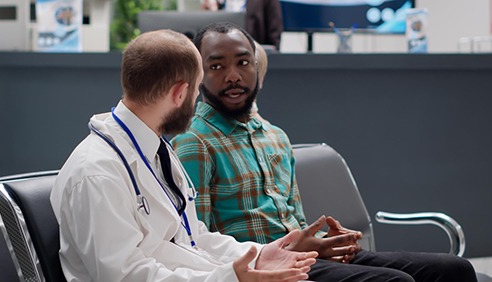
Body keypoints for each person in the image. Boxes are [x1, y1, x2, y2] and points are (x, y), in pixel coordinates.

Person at [171, 22, 478, 281]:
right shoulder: (194, 143)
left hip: (307, 256)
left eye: (243, 62)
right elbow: (197, 243)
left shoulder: (275, 136)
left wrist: (323, 241)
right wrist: (291, 249)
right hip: (267, 267)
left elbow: (294, 222)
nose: (233, 75)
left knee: (455, 270)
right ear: (198, 73)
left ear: (256, 65)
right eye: (216, 66)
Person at [49, 29, 320, 282]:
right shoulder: (97, 172)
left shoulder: (155, 149)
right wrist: (228, 277)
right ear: (180, 93)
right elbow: (125, 275)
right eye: (196, 89)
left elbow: (192, 237)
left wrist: (258, 255)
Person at [201, 0, 283, 49]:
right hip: (223, 53)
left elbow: (274, 34)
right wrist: (212, 12)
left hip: (254, 56)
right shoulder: (219, 3)